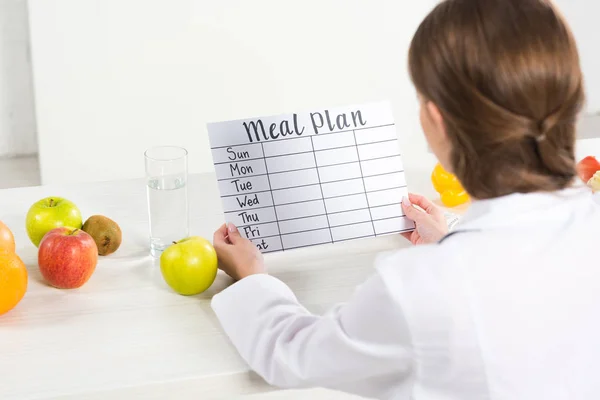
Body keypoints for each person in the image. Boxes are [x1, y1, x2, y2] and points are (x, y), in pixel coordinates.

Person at [211, 0, 600, 398]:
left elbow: (293, 355)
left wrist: (252, 277)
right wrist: (452, 238)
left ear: (437, 120)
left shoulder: (421, 287)